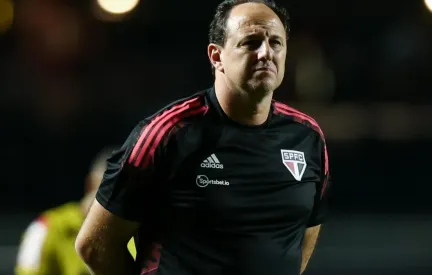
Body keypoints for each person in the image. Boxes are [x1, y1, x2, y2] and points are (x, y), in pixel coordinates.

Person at [75, 0, 330, 274]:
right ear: (216, 56)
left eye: (276, 43)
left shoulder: (308, 138)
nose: (266, 53)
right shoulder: (167, 134)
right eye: (251, 42)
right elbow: (95, 245)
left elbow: (302, 240)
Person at [15, 148, 136, 275]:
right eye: (110, 190)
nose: (118, 200)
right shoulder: (46, 227)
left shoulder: (135, 230)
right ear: (91, 183)